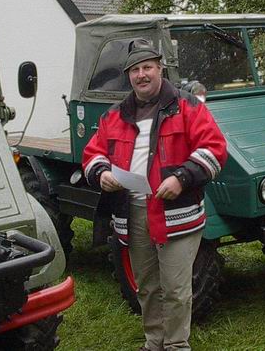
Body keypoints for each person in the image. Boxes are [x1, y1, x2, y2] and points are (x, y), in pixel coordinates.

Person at [83, 39, 227, 351]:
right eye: (135, 70)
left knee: (175, 288)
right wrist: (102, 173)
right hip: (132, 212)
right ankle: (154, 342)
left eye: (147, 67)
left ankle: (176, 345)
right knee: (146, 286)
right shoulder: (114, 115)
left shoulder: (188, 106)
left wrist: (182, 178)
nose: (141, 74)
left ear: (160, 68)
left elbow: (214, 148)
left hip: (176, 212)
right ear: (128, 75)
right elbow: (93, 153)